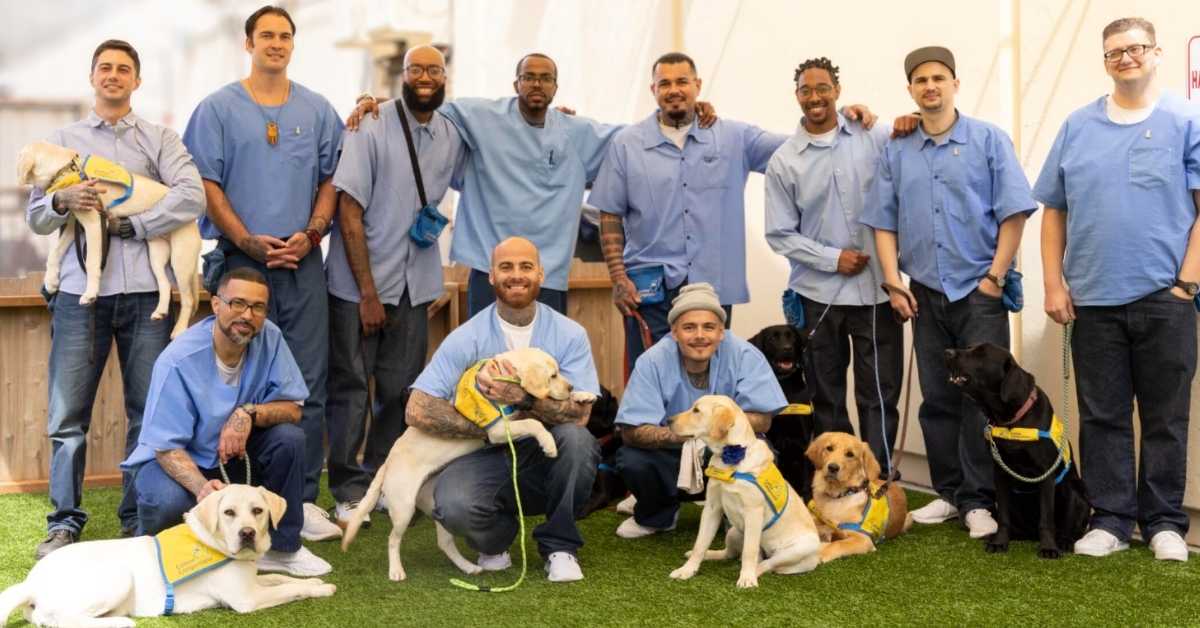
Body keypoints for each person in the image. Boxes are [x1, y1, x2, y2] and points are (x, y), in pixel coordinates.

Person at [24, 39, 205, 559]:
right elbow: (37, 217)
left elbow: (192, 195)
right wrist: (61, 199)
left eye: (124, 69)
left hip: (150, 297)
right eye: (105, 67)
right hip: (82, 296)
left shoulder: (160, 139)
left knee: (147, 412)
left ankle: (136, 521)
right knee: (67, 416)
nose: (113, 75)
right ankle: (63, 523)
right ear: (92, 76)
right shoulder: (62, 141)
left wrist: (135, 225)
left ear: (136, 81)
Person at [590, 52, 879, 367]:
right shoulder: (627, 144)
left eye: (682, 81)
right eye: (665, 83)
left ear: (698, 85)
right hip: (648, 291)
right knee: (648, 380)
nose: (674, 89)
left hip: (713, 287)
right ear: (653, 90)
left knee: (710, 384)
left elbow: (803, 149)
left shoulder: (734, 137)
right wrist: (619, 277)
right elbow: (609, 215)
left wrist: (843, 118)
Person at [1034, 17, 1200, 562]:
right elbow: (1053, 211)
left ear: (1155, 53)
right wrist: (1054, 283)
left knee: (1165, 417)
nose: (1125, 58)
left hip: (1165, 300)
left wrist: (1186, 282)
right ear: (1105, 61)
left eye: (1134, 49)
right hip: (1092, 300)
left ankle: (1164, 523)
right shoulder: (1077, 126)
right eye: (1114, 52)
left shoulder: (1186, 118)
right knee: (1101, 413)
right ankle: (1109, 517)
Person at [183, 5, 344, 542]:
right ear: (248, 43)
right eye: (266, 35)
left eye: (285, 35)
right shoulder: (218, 109)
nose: (276, 43)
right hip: (241, 263)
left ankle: (301, 498)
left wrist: (313, 232)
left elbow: (330, 179)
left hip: (301, 261)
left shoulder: (318, 109)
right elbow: (207, 183)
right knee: (233, 380)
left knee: (310, 380)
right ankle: (231, 496)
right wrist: (247, 239)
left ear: (293, 45)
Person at [860, 46, 1036, 539]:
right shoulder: (897, 148)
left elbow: (1014, 212)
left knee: (981, 400)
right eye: (920, 80)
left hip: (978, 290)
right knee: (938, 398)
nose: (930, 86)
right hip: (923, 294)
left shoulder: (988, 140)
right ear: (910, 90)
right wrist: (894, 282)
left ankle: (980, 501)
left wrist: (994, 278)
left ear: (955, 83)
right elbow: (883, 223)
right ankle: (950, 493)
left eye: (939, 77)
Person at [324, 44, 464, 525]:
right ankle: (346, 489)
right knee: (350, 390)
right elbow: (348, 210)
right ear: (401, 75)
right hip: (358, 289)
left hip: (415, 287)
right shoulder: (372, 123)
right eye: (416, 69)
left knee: (400, 393)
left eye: (434, 69)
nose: (425, 77)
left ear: (444, 77)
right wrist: (367, 292)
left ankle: (383, 483)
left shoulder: (451, 134)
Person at [407, 237, 599, 582]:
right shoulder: (467, 337)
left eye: (526, 266)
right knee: (452, 504)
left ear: (541, 274)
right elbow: (417, 409)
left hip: (547, 453)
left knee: (578, 439)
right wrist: (489, 426)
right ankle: (494, 541)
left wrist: (522, 399)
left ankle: (560, 546)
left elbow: (580, 415)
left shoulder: (570, 334)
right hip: (486, 454)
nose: (516, 275)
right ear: (491, 276)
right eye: (505, 267)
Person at [122, 267, 330, 577]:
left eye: (258, 307)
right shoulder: (178, 359)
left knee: (290, 438)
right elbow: (165, 449)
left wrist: (247, 413)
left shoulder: (271, 338)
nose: (247, 314)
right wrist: (204, 489)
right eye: (238, 304)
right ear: (217, 304)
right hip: (179, 463)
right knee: (167, 502)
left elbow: (295, 408)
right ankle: (147, 538)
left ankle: (284, 549)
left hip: (235, 457)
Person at [763, 57, 903, 475]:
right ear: (797, 97)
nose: (815, 97)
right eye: (806, 90)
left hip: (877, 291)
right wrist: (832, 258)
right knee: (826, 393)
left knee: (878, 391)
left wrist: (911, 116)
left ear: (837, 91)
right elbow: (779, 234)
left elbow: (910, 140)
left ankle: (877, 480)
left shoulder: (871, 134)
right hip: (817, 294)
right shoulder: (784, 161)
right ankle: (835, 482)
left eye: (822, 87)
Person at [613, 283, 786, 538]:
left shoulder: (745, 354)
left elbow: (763, 420)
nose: (700, 335)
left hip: (725, 449)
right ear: (674, 332)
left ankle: (735, 519)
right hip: (671, 451)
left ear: (721, 332)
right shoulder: (652, 361)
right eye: (689, 327)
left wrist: (710, 431)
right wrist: (688, 436)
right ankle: (657, 515)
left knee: (763, 452)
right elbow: (631, 431)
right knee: (632, 459)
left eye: (709, 327)